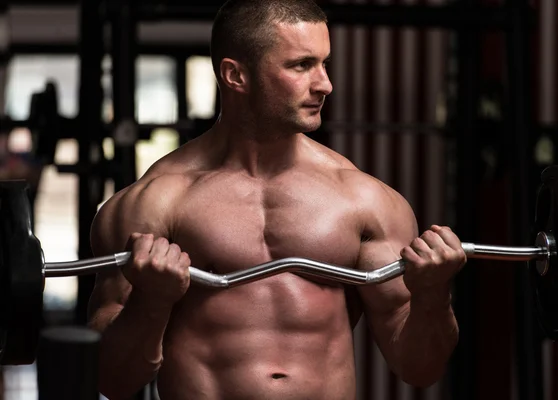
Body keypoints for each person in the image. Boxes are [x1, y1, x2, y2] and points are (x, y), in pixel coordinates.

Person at [87, 0, 467, 399]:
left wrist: (433, 296)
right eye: (301, 65)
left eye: (325, 63)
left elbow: (420, 366)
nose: (325, 84)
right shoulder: (152, 205)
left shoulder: (363, 201)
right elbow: (112, 381)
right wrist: (150, 301)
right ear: (236, 75)